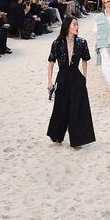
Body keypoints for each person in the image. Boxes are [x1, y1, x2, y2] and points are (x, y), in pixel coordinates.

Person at [46, 17, 95, 149]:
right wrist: (49, 82)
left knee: (77, 108)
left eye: (77, 25)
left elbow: (85, 60)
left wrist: (84, 77)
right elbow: (51, 63)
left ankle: (76, 141)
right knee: (60, 107)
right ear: (67, 26)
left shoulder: (82, 42)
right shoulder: (57, 43)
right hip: (62, 77)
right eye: (74, 24)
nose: (77, 27)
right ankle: (57, 136)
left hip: (76, 77)